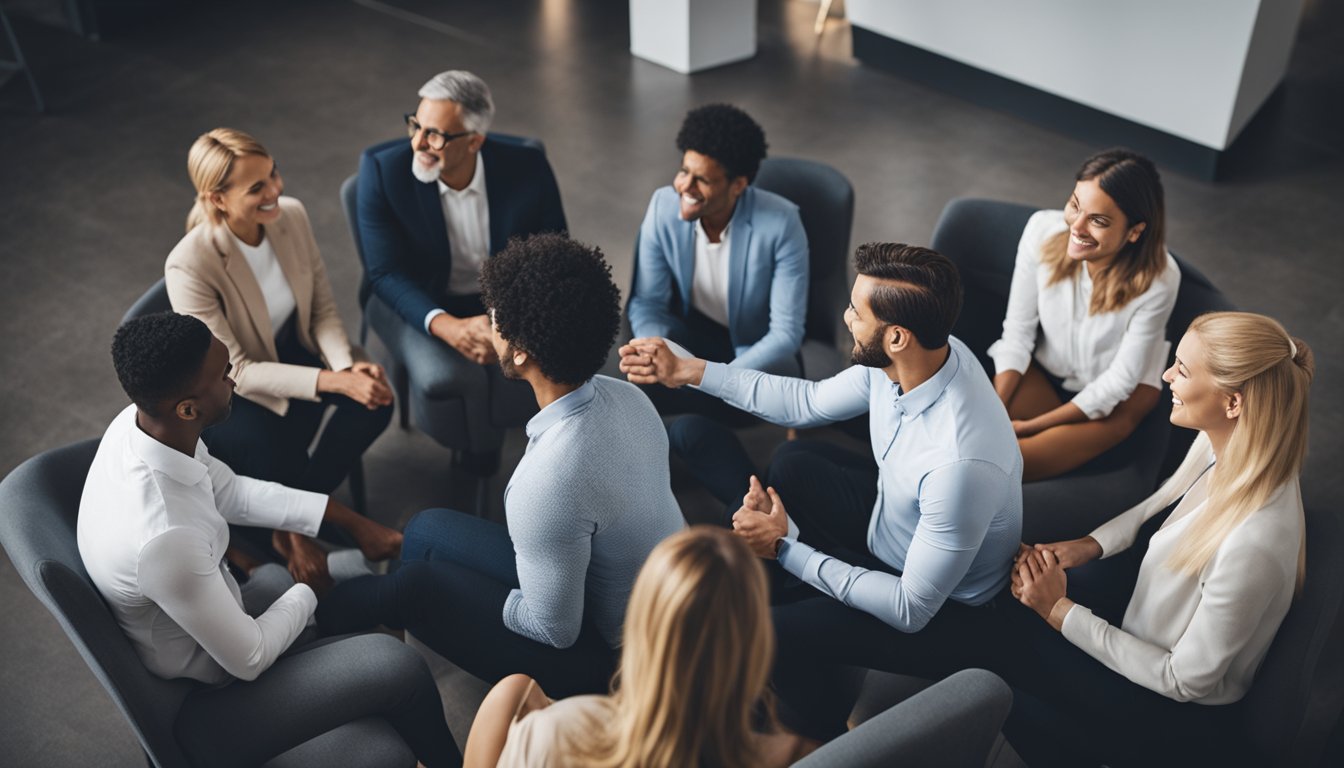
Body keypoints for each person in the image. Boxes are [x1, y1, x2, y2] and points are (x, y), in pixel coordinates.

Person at [620, 243, 1022, 739]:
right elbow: (805, 402)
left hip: (939, 611)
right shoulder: (930, 353)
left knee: (763, 629)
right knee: (794, 460)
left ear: (896, 337)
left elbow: (910, 609)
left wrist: (787, 547)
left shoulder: (960, 466)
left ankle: (816, 728)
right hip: (890, 527)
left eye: (857, 311)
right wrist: (691, 371)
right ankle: (774, 558)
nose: (845, 317)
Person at [77, 312, 460, 767]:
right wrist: (307, 591)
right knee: (400, 667)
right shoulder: (165, 537)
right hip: (210, 697)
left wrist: (350, 522)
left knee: (312, 586)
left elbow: (234, 491)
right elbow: (251, 657)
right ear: (187, 407)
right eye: (224, 374)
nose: (235, 379)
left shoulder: (142, 426)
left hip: (215, 622)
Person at [318, 233, 685, 697]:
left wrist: (463, 597)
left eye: (494, 318)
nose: (486, 323)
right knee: (425, 530)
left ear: (520, 351)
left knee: (418, 585)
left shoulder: (546, 480)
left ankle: (320, 614)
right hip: (655, 596)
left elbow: (556, 629)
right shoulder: (629, 398)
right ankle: (401, 631)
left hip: (614, 660)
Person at [999, 311, 1311, 767]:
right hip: (1140, 626)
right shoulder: (1226, 438)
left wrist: (1058, 610)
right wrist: (1087, 545)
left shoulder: (1255, 543)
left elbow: (1186, 681)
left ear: (1233, 402)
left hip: (1160, 708)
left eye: (1182, 370)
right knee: (1005, 596)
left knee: (999, 662)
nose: (1166, 376)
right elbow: (1163, 502)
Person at [166, 127, 393, 566]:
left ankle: (293, 522)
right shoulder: (189, 264)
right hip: (231, 390)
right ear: (217, 199)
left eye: (274, 174)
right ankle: (309, 522)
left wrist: (347, 368)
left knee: (376, 400)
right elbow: (238, 369)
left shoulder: (291, 215)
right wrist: (333, 381)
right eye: (257, 187)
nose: (276, 190)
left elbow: (322, 310)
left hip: (292, 351)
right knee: (275, 450)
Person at [358, 70, 567, 473]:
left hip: (502, 295)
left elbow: (552, 250)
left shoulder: (527, 165)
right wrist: (448, 326)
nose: (418, 143)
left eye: (436, 134)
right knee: (455, 377)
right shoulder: (381, 170)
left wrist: (504, 321)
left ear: (475, 141)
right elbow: (385, 273)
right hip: (418, 296)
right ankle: (477, 460)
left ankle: (527, 452)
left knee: (539, 359)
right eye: (416, 125)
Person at [462, 526, 810, 767]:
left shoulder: (551, 736)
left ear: (642, 628)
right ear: (756, 642)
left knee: (512, 691)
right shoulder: (802, 756)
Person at [988, 148, 1180, 481]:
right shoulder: (1040, 232)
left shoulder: (1160, 279)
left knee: (1007, 467)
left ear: (1134, 231)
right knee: (981, 442)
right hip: (1051, 369)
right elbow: (1017, 334)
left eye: (1098, 220)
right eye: (1075, 205)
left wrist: (1030, 427)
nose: (1076, 227)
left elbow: (1118, 383)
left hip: (1119, 399)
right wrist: (990, 410)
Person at [625, 103, 808, 422]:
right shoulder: (662, 207)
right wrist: (653, 351)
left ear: (737, 185)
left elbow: (785, 333)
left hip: (751, 351)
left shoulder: (782, 224)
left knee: (697, 413)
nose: (684, 187)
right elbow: (648, 303)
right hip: (690, 335)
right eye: (684, 171)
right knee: (637, 381)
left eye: (702, 181)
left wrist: (712, 378)